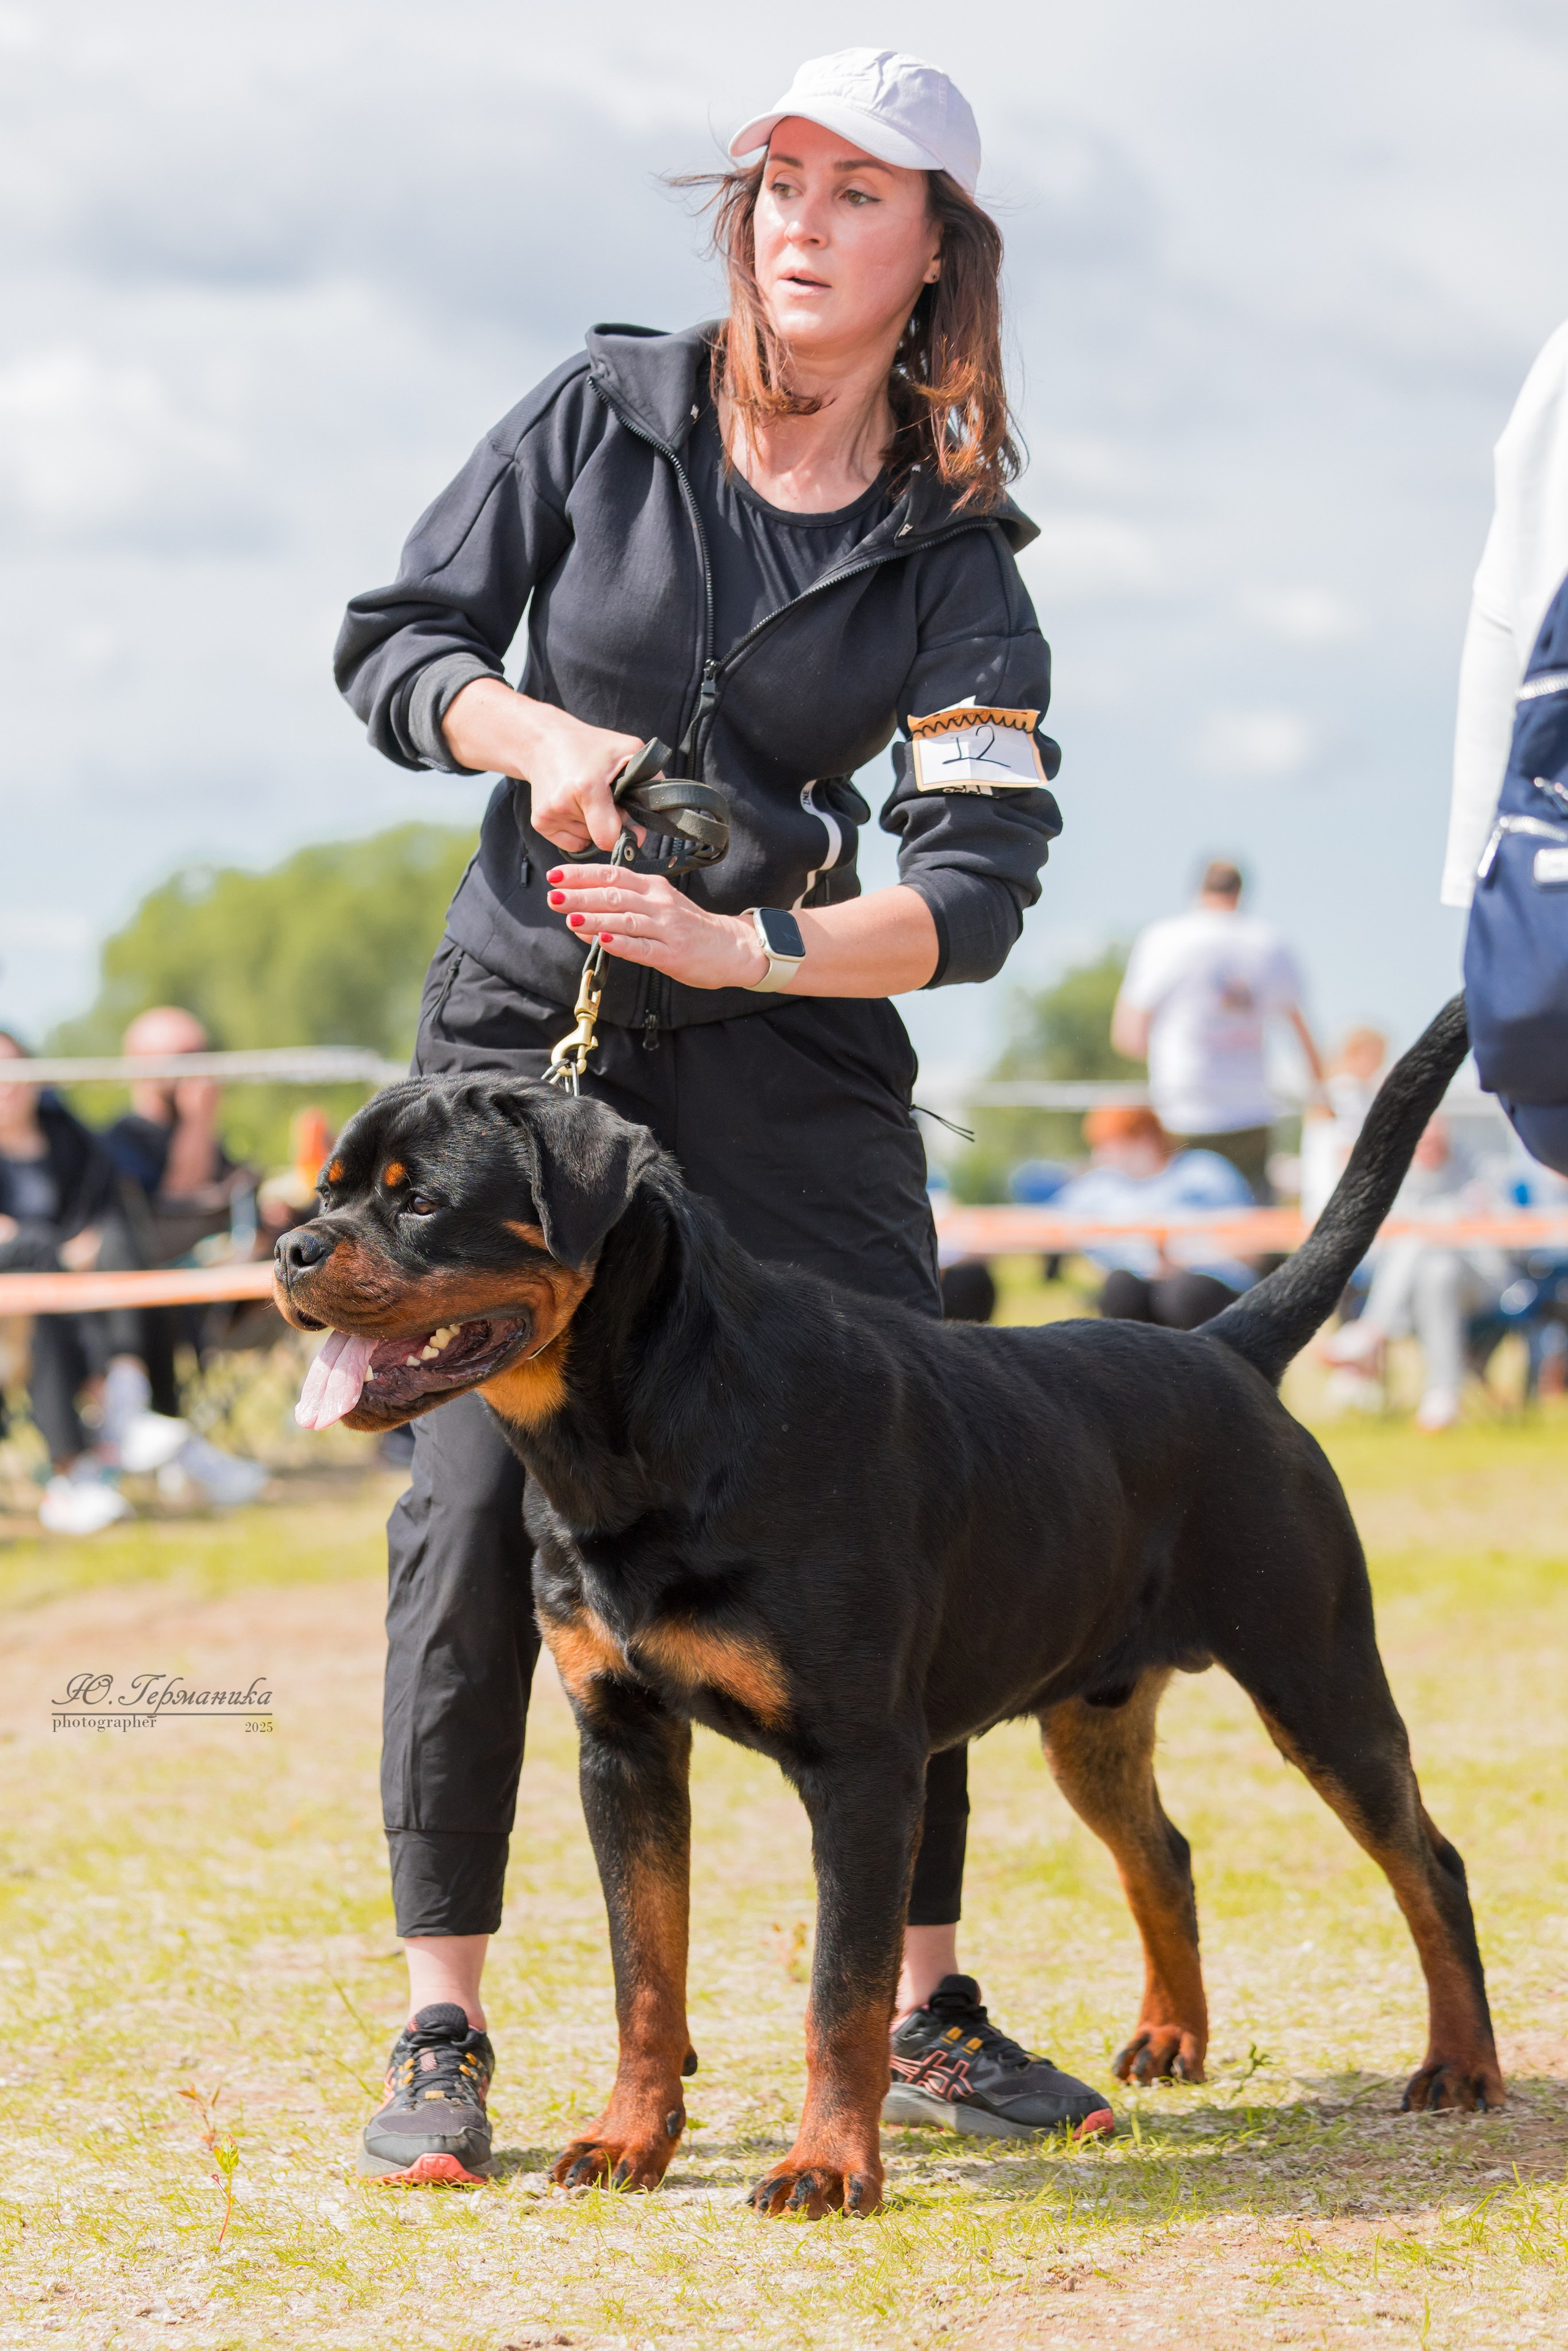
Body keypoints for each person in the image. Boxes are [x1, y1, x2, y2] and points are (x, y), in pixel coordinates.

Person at [335, 47, 1114, 2180]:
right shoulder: (600, 410)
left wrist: (756, 953)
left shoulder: (959, 558)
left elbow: (969, 891)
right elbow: (394, 644)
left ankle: (922, 2001)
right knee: (471, 1513)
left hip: (790, 1051)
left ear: (936, 253)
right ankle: (449, 2019)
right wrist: (533, 731)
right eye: (780, 180)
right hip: (530, 1034)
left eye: (860, 195)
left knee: (911, 1478)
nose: (802, 221)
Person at [94, 1006, 268, 1506]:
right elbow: (175, 1201)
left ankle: (170, 1444)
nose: (202, 1068)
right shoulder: (121, 1139)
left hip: (223, 1295)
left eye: (205, 1053)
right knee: (151, 1281)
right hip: (151, 1295)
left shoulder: (208, 1137)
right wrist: (199, 1118)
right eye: (187, 1056)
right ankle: (149, 1425)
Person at [1110, 860, 1324, 1200]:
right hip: (1252, 1107)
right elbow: (1301, 1031)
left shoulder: (1165, 938)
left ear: (1198, 890)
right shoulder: (1269, 942)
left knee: (1184, 1227)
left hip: (1183, 1105)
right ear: (1240, 892)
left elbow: (1128, 1037)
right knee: (1252, 1233)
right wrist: (1321, 1097)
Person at [0, 1030, 130, 1534]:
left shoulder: (70, 1138)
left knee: (119, 1246)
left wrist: (76, 1251)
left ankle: (127, 1387)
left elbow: (102, 1212)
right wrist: (57, 1252)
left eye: (15, 1073)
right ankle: (83, 1447)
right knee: (36, 1272)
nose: (7, 1087)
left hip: (77, 1286)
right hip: (21, 1295)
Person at [1320, 1115, 1510, 1431]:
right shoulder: (1403, 1183)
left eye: (1434, 1142)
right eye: (1420, 1144)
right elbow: (1376, 1254)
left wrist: (1462, 1225)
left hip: (1482, 1284)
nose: (1428, 1150)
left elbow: (1506, 1242)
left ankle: (1371, 1331)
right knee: (1437, 1271)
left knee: (1423, 1237)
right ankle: (1443, 1394)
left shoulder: (1479, 1176)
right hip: (1427, 1289)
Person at [1052, 1104, 1256, 1329]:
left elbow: (1248, 1243)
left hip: (1204, 1281)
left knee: (1183, 1292)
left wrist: (1183, 1257)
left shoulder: (1203, 1171)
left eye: (1110, 1145)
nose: (1100, 1155)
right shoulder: (1101, 1185)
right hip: (1144, 1282)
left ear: (1145, 1140)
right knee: (1121, 1287)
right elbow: (1053, 1220)